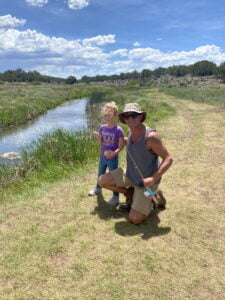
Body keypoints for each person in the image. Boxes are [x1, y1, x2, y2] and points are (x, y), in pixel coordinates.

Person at [98, 102, 173, 224]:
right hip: (130, 175)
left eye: (133, 115)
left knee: (134, 219)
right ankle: (129, 193)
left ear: (140, 116)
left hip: (146, 182)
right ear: (124, 119)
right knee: (102, 180)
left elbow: (168, 159)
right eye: (127, 116)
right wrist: (111, 142)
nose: (130, 118)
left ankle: (155, 197)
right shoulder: (129, 132)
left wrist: (153, 179)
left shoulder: (151, 137)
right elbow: (127, 141)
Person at [88, 101, 125, 206]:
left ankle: (115, 197)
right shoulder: (102, 127)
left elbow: (121, 145)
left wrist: (115, 153)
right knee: (100, 173)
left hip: (112, 158)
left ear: (115, 115)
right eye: (105, 115)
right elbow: (101, 142)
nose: (106, 117)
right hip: (103, 156)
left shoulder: (118, 129)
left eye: (109, 115)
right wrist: (98, 137)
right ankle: (98, 189)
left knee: (114, 177)